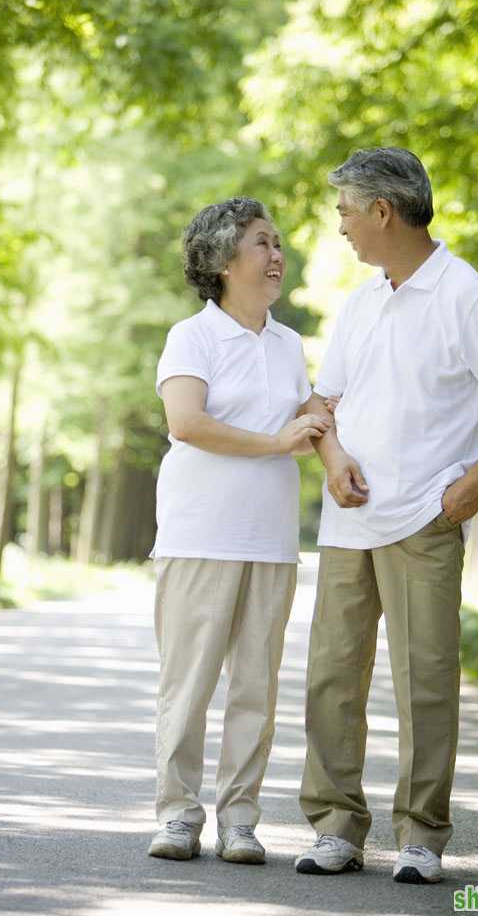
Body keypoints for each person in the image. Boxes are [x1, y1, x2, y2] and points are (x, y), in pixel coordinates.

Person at [294, 148, 478, 884]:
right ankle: (336, 826)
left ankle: (420, 834)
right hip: (350, 518)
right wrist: (331, 455)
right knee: (331, 677)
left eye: (345, 210)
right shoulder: (361, 299)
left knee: (426, 678)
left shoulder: (464, 295)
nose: (340, 225)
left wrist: (476, 482)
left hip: (425, 516)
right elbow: (324, 401)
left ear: (382, 211)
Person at [148, 197, 330, 866]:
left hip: (271, 541)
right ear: (224, 261)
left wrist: (312, 434)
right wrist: (278, 441)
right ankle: (175, 816)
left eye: (277, 242)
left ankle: (240, 822)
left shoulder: (287, 344)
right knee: (188, 686)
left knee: (255, 690)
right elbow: (187, 423)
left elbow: (308, 425)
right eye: (262, 243)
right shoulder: (189, 337)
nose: (277, 255)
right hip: (199, 537)